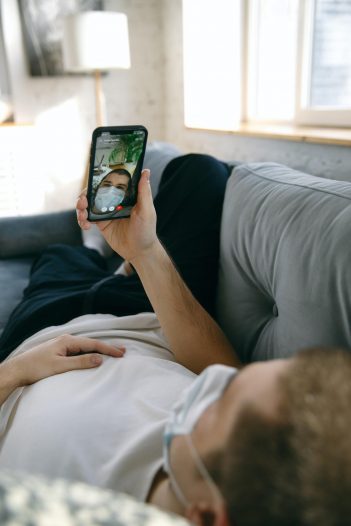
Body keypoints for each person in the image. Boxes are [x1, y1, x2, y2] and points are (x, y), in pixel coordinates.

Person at [0, 154, 350, 526]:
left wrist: (16, 371)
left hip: (42, 329)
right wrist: (145, 251)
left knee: (59, 257)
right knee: (199, 171)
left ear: (206, 515)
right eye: (235, 380)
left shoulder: (51, 506)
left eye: (216, 406)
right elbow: (221, 370)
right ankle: (118, 261)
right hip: (146, 313)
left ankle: (89, 252)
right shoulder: (222, 458)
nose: (214, 377)